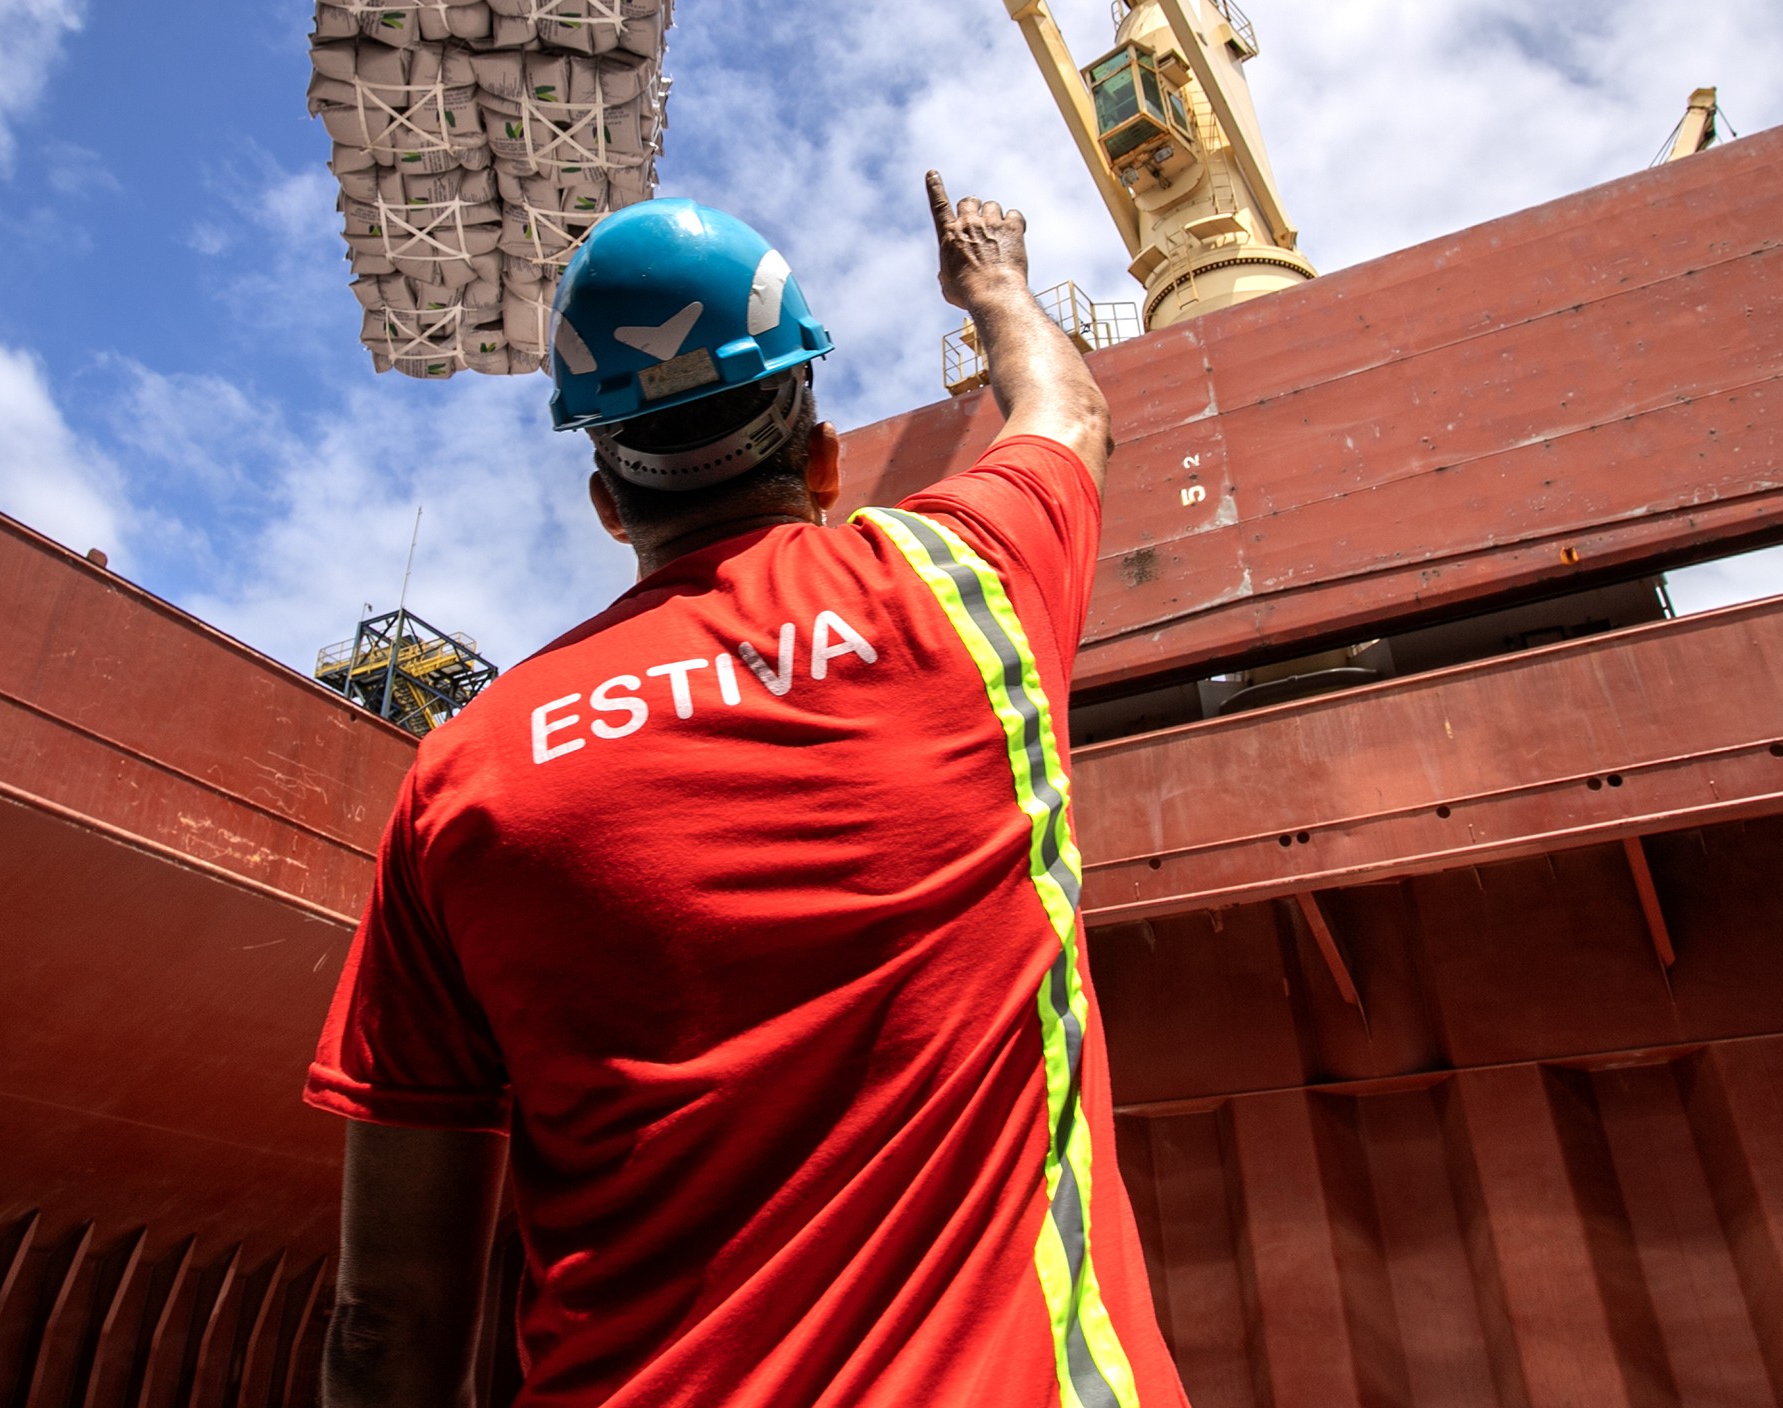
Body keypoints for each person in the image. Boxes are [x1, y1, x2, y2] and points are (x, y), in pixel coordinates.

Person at [306, 173, 1188, 1408]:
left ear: (608, 501)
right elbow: (1067, 406)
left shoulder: (463, 772)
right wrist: (990, 283)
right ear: (824, 458)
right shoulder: (961, 583)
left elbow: (385, 1319)